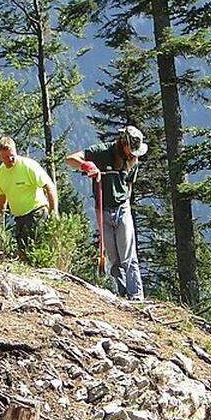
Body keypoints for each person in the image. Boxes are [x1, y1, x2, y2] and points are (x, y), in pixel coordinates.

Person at [64, 126, 148, 300]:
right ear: (123, 143)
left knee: (127, 255)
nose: (133, 154)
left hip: (122, 208)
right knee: (113, 256)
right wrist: (86, 165)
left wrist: (124, 202)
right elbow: (70, 159)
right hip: (102, 210)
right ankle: (122, 293)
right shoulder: (102, 152)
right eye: (131, 150)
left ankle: (136, 296)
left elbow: (129, 185)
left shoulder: (133, 160)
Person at [0, 136, 58, 253]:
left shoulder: (28, 166)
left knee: (37, 250)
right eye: (6, 157)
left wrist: (53, 213)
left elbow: (49, 186)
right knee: (23, 252)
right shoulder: (0, 173)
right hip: (19, 218)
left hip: (37, 213)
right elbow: (1, 200)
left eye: (12, 155)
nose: (10, 159)